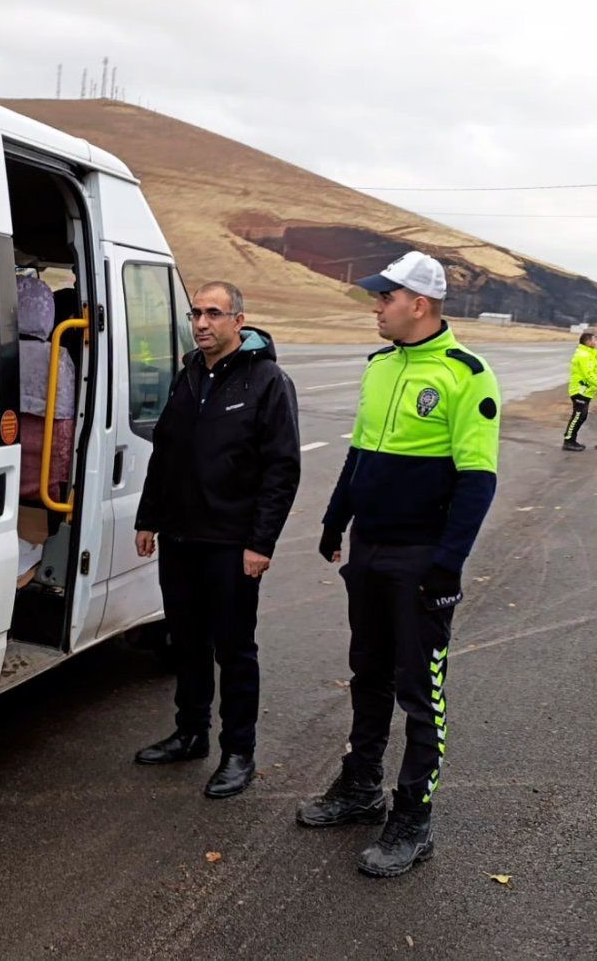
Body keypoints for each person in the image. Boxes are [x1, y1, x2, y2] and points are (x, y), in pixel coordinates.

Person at [302, 250, 500, 878]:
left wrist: (447, 566)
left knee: (421, 691)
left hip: (422, 558)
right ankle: (361, 787)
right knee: (369, 672)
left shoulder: (467, 375)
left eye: (384, 298)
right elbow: (359, 456)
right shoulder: (381, 366)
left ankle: (413, 820)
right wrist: (336, 521)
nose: (375, 307)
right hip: (371, 550)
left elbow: (477, 480)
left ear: (419, 304)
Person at [133, 281, 301, 799]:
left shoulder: (268, 381)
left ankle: (238, 751)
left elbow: (282, 469)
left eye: (213, 314)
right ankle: (190, 733)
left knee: (233, 649)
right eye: (196, 313)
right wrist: (149, 517)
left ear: (239, 321)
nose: (202, 323)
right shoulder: (187, 376)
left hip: (231, 542)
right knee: (186, 642)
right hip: (181, 537)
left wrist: (261, 543)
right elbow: (165, 451)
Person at [562, 330, 596, 451]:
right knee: (578, 416)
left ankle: (571, 440)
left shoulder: (590, 353)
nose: (596, 342)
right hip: (579, 391)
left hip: (586, 391)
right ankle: (568, 441)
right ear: (588, 342)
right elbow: (588, 375)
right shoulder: (583, 355)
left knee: (582, 416)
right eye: (594, 339)